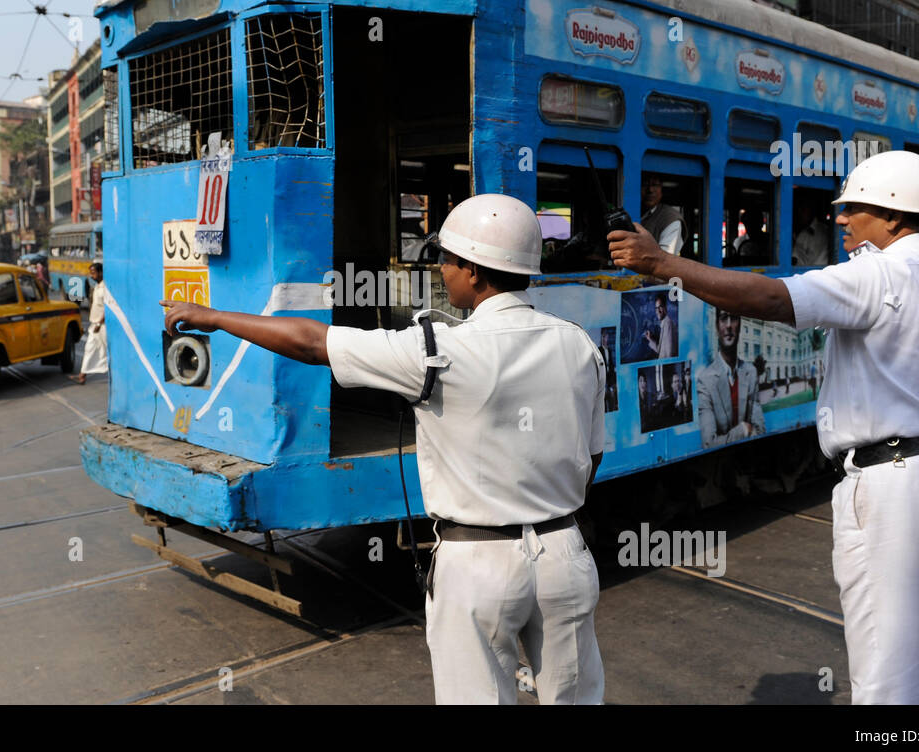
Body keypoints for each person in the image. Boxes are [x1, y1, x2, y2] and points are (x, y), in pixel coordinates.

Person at [162, 193, 607, 705]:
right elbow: (591, 458)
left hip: (479, 566)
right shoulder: (579, 345)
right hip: (565, 559)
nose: (442, 270)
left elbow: (311, 342)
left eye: (449, 260)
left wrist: (212, 316)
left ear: (476, 273)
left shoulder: (436, 351)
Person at [610, 150, 919, 705]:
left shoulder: (875, 273)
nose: (839, 219)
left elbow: (772, 297)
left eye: (853, 209)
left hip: (893, 480)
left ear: (892, 216)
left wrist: (662, 264)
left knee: (887, 671)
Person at [697, 309, 765, 448]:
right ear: (717, 327)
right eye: (723, 318)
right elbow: (709, 443)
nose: (728, 325)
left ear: (740, 325)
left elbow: (760, 431)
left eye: (733, 318)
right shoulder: (705, 380)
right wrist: (743, 430)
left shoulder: (750, 373)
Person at [71, 262, 107, 385]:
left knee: (106, 351)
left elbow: (108, 308)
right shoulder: (97, 286)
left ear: (101, 272)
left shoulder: (105, 288)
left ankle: (83, 375)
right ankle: (82, 375)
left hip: (101, 326)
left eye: (93, 273)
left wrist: (99, 324)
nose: (91, 276)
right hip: (96, 324)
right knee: (90, 349)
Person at [640, 175, 687, 256]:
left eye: (655, 185)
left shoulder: (670, 218)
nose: (650, 190)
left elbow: (665, 259)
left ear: (662, 190)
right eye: (644, 184)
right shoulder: (628, 212)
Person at [793, 202, 832, 267]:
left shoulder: (823, 231)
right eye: (799, 210)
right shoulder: (802, 232)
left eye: (803, 209)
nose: (800, 213)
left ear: (811, 210)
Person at [644, 293, 677, 359]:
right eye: (656, 308)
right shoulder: (664, 323)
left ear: (665, 307)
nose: (658, 311)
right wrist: (650, 339)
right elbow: (661, 351)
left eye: (660, 307)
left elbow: (669, 355)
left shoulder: (668, 324)